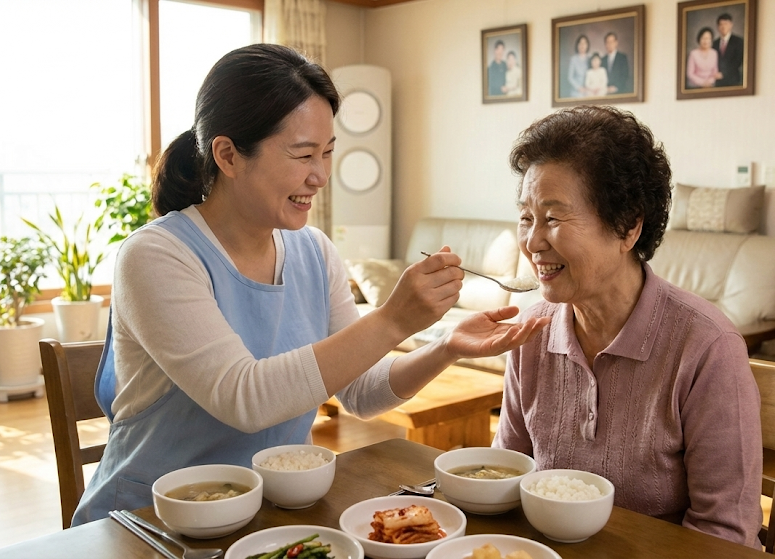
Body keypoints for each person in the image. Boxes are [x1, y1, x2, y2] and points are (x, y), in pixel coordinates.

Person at [72, 44, 550, 525]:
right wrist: (392, 319)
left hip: (267, 519)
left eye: (327, 153)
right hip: (145, 524)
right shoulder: (157, 255)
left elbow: (361, 392)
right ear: (228, 155)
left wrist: (446, 347)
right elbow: (244, 397)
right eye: (303, 154)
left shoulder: (314, 253)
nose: (320, 176)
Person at [492, 106, 763, 549]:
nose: (533, 242)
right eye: (527, 217)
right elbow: (506, 476)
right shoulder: (531, 330)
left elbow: (724, 535)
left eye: (554, 218)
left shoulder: (707, 346)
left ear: (628, 226)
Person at [713, 13, 744, 87]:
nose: (723, 27)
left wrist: (723, 73)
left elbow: (738, 61)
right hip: (717, 82)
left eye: (726, 24)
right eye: (721, 24)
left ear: (731, 25)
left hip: (733, 80)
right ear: (718, 27)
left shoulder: (739, 41)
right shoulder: (714, 43)